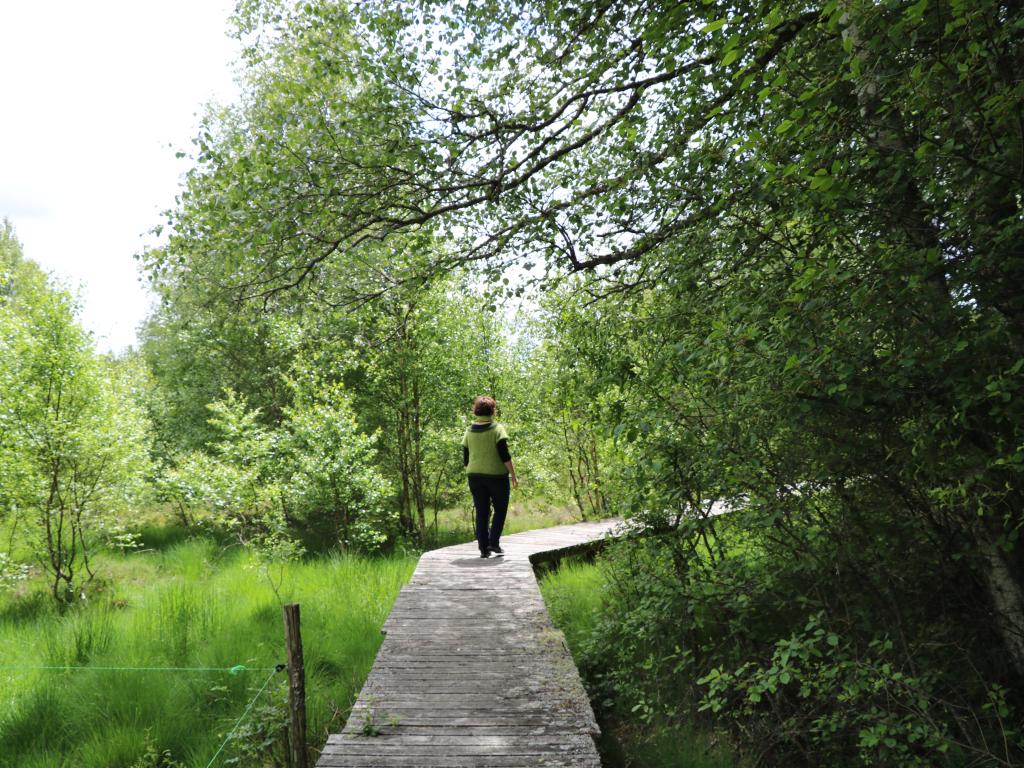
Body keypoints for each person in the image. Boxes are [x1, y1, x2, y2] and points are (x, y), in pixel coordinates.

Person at [462, 395, 518, 558]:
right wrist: (513, 475)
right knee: (500, 509)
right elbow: (504, 455)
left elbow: (465, 458)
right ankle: (493, 542)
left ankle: (483, 548)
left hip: (474, 477)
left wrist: (476, 468)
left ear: (476, 411)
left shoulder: (468, 431)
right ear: (493, 411)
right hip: (497, 477)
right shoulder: (497, 429)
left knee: (482, 511)